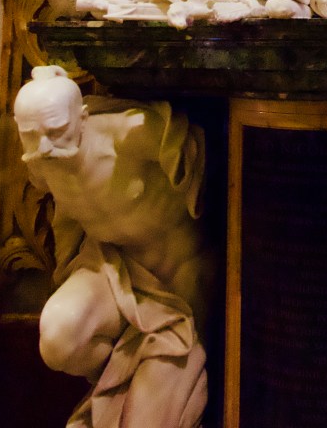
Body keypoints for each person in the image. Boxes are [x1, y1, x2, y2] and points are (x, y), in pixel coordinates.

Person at [14, 65, 212, 428]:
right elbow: (66, 216)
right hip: (113, 271)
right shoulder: (41, 159)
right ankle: (118, 377)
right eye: (30, 135)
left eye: (56, 131)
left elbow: (205, 165)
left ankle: (146, 381)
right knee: (58, 338)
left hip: (180, 283)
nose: (43, 147)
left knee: (148, 422)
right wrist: (67, 269)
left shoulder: (130, 134)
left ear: (82, 117)